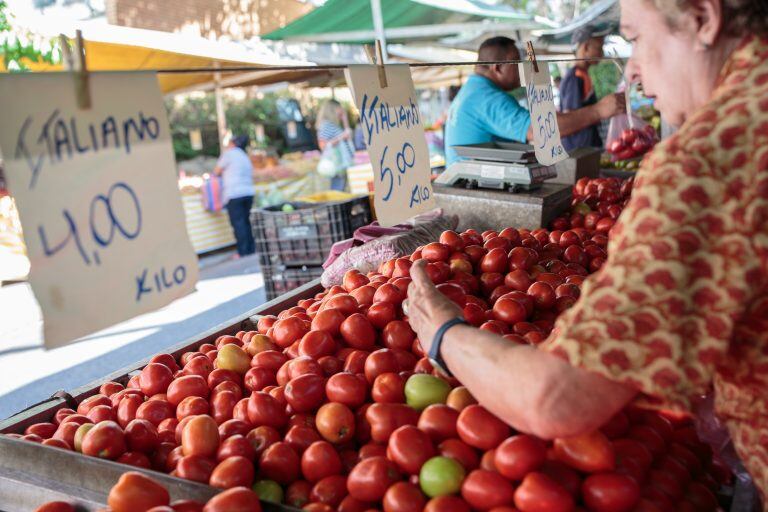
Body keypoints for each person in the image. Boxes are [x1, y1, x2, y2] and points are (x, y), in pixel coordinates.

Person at [407, 0, 768, 505]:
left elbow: (558, 398)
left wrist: (442, 330)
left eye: (636, 39)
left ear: (704, 21)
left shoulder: (711, 158)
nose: (635, 72)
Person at [444, 36, 626, 166]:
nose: (523, 69)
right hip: (475, 188)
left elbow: (539, 120)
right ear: (497, 68)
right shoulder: (487, 98)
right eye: (516, 62)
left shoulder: (474, 90)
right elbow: (542, 131)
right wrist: (599, 111)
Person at [559, 25, 606, 152]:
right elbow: (569, 117)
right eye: (599, 48)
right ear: (585, 48)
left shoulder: (583, 74)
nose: (602, 53)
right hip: (579, 150)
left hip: (586, 148)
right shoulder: (575, 77)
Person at [214, 134, 255, 258]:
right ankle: (250, 249)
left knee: (238, 223)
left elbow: (216, 171)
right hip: (248, 192)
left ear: (233, 143)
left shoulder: (229, 154)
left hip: (234, 193)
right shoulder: (244, 156)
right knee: (246, 222)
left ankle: (242, 251)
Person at [316, 99, 354, 191]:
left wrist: (344, 119)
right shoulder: (326, 125)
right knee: (338, 188)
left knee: (342, 188)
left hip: (341, 163)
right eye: (339, 108)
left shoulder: (332, 124)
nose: (341, 111)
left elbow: (348, 135)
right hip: (336, 163)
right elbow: (323, 145)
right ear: (332, 109)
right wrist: (341, 137)